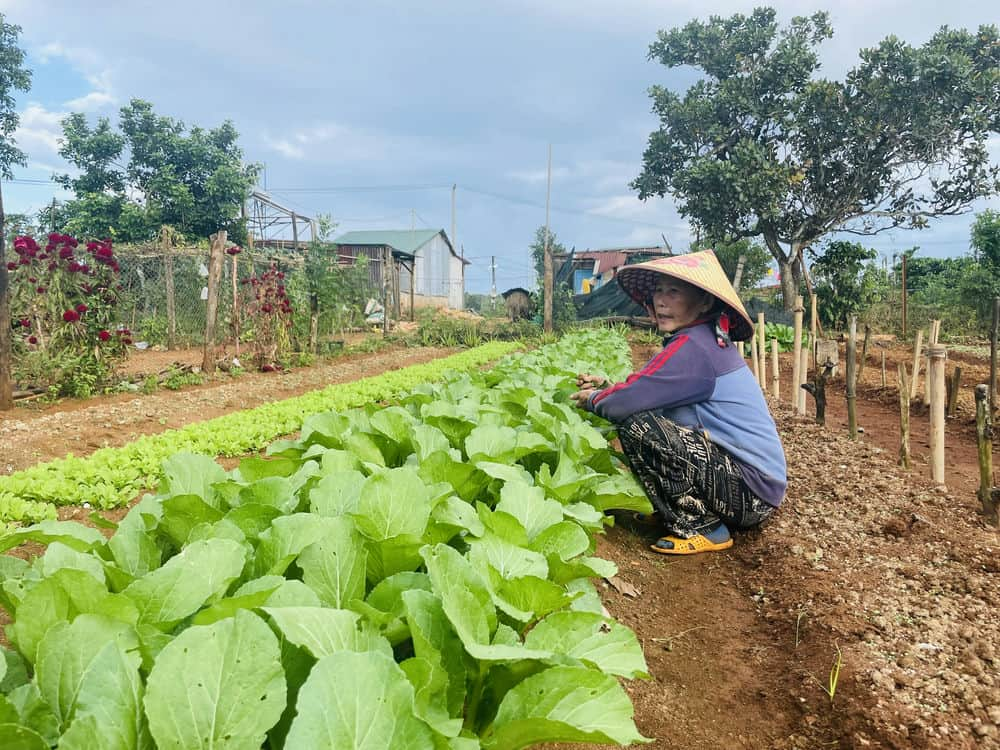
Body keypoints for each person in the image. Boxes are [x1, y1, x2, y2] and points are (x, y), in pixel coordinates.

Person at [570, 250, 786, 554]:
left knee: (636, 424)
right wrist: (606, 387)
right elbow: (647, 389)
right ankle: (680, 511)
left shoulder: (695, 347)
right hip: (748, 486)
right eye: (658, 290)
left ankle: (705, 527)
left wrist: (595, 399)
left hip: (751, 493)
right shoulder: (702, 339)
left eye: (674, 291)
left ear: (704, 302)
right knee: (644, 417)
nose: (661, 300)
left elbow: (628, 403)